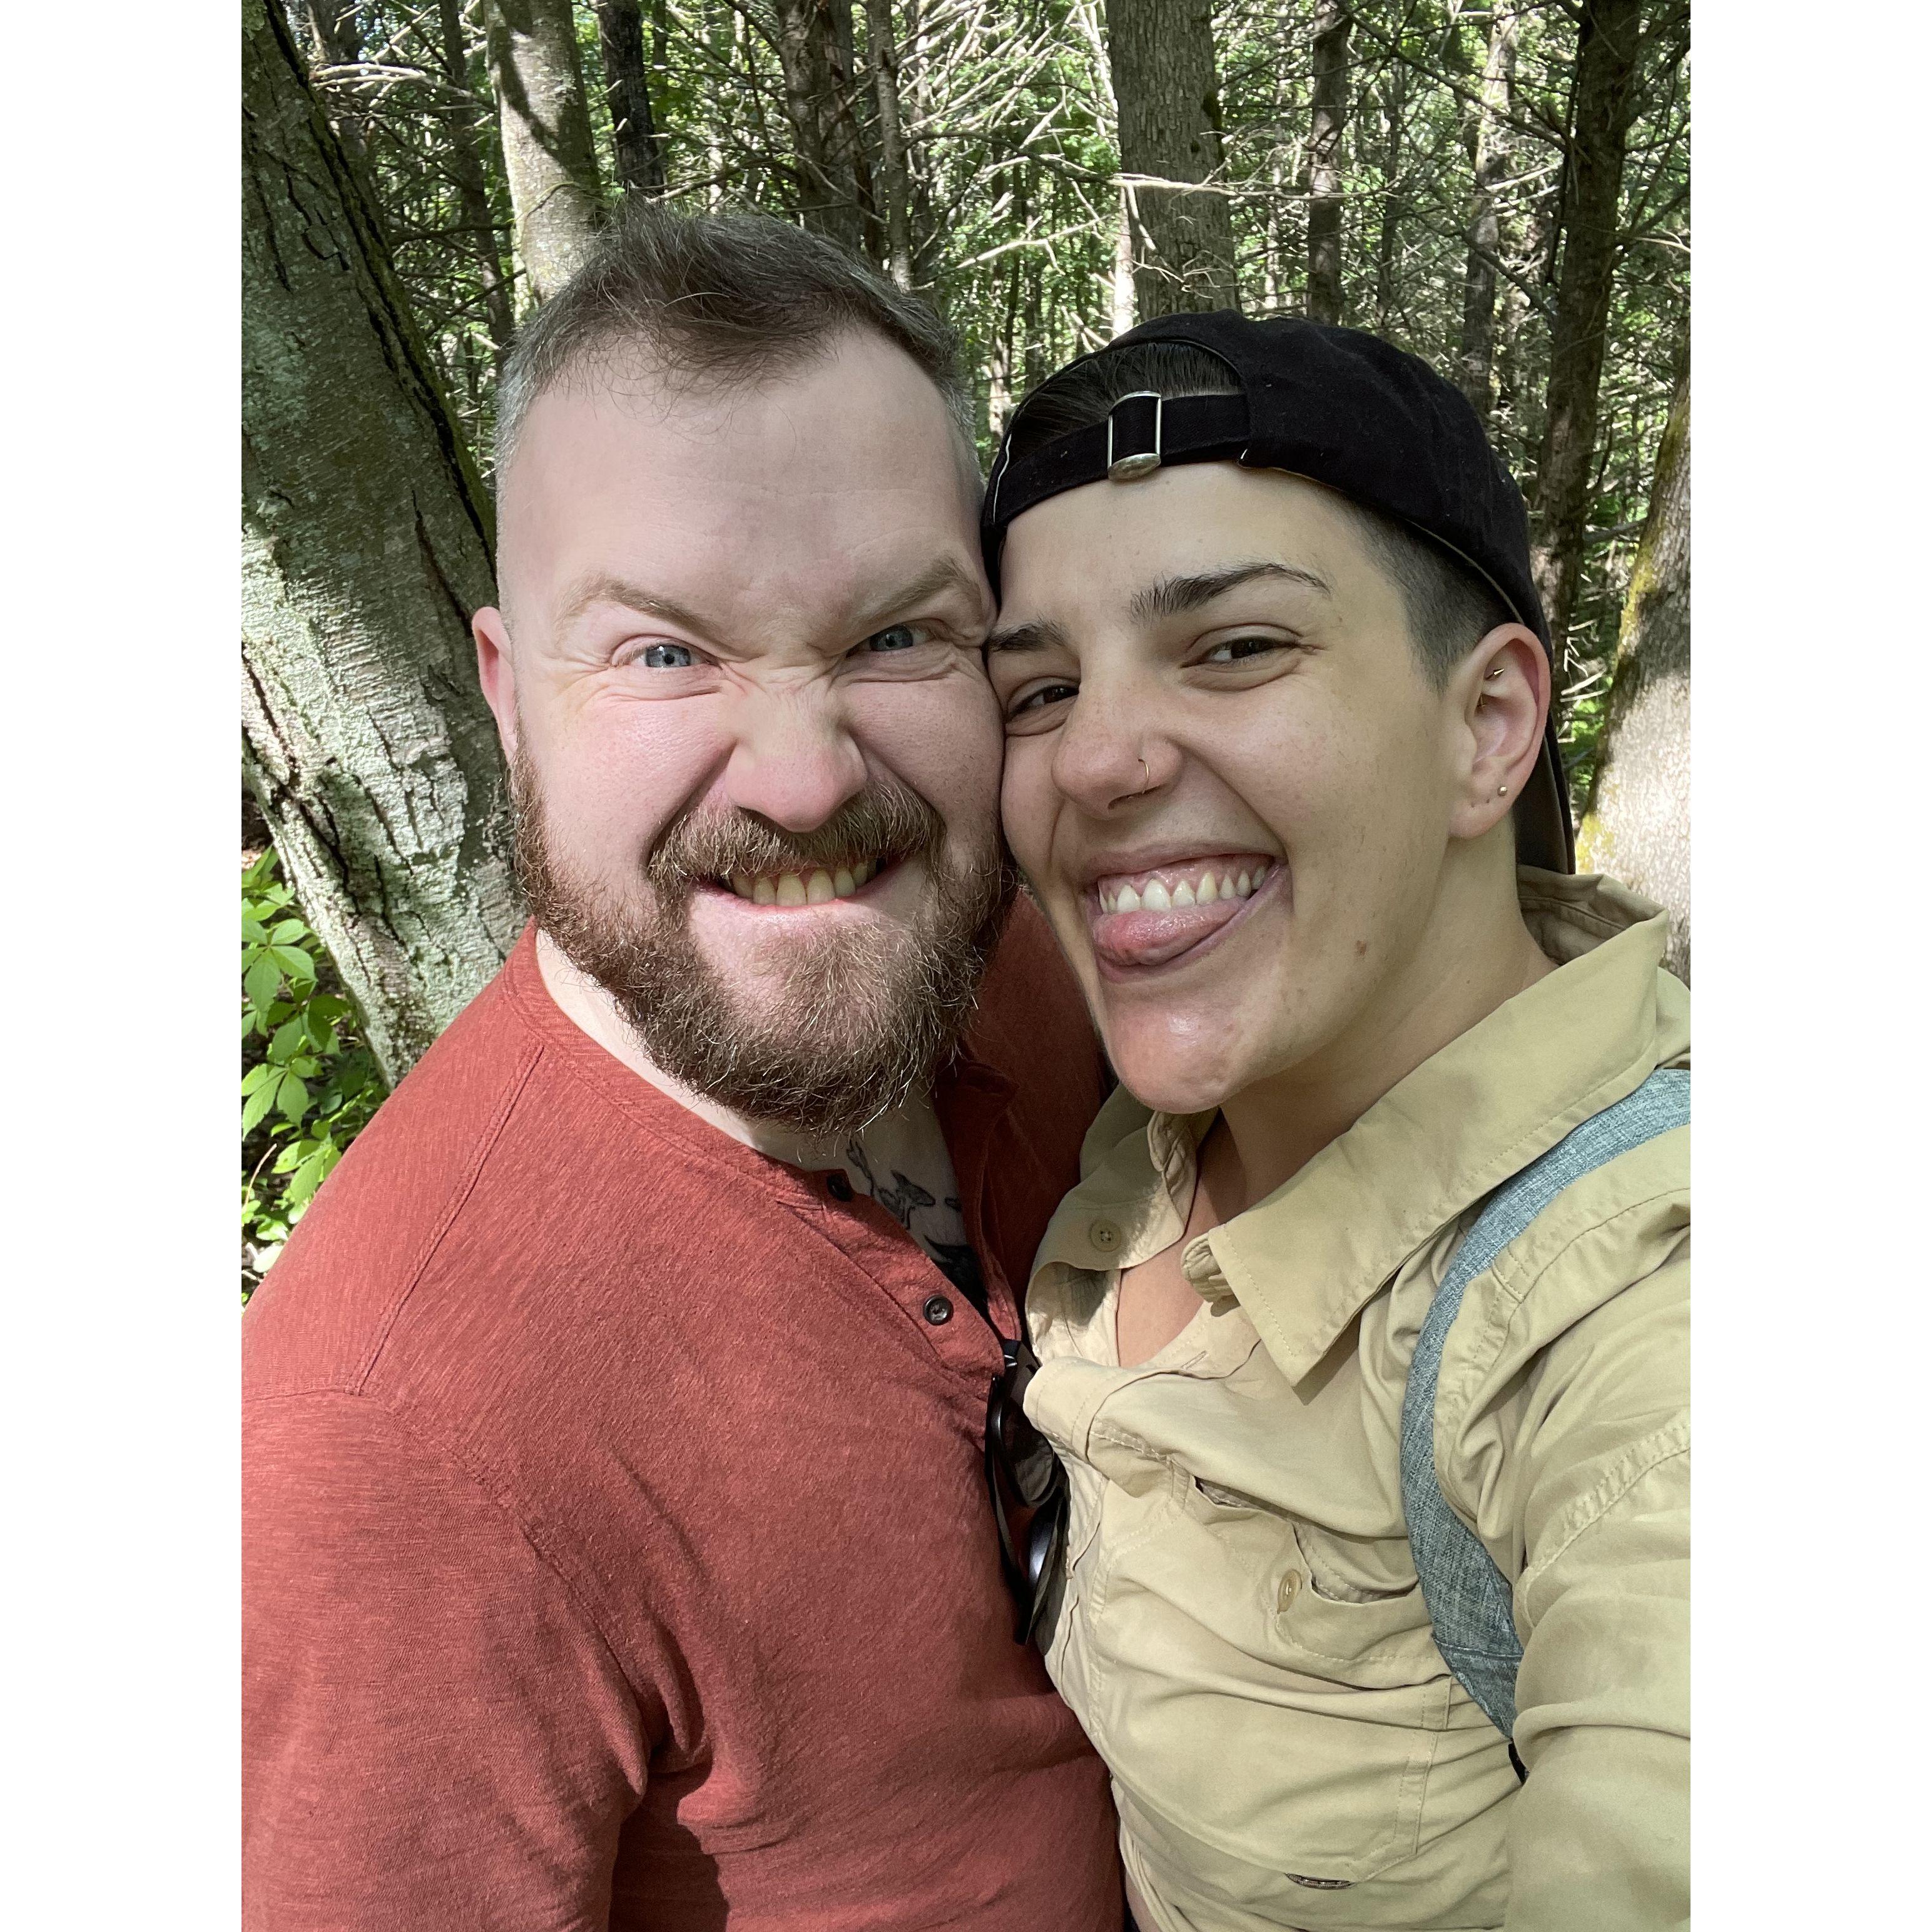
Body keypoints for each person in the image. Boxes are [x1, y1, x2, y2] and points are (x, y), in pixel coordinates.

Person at [242, 206, 1122, 1931]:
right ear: (509, 696)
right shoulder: (391, 1444)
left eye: (897, 638)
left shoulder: (1038, 977)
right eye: (665, 652)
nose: (802, 783)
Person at [980, 314, 1689, 1932]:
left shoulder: (1650, 1316)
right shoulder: (1148, 1126)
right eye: (1038, 689)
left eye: (1235, 648)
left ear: (1490, 728)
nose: (1096, 756)